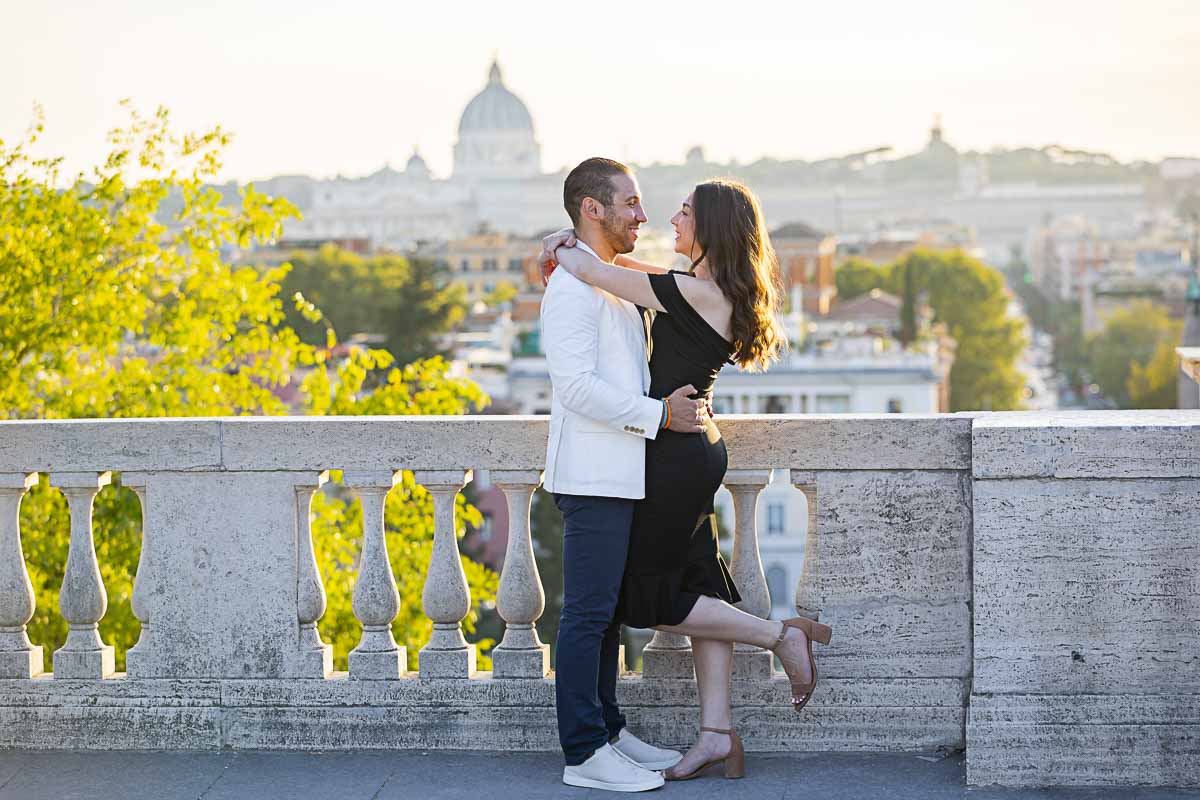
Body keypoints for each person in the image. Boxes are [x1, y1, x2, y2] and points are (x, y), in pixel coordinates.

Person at [540, 178, 833, 782]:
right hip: (690, 447)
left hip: (673, 453)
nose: (668, 218)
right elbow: (619, 267)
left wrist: (563, 250)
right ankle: (716, 734)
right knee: (702, 587)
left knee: (647, 599)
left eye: (684, 212)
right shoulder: (705, 287)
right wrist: (574, 247)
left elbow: (603, 273)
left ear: (711, 228)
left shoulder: (691, 291)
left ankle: (781, 637)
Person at [540, 157, 711, 792]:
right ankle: (583, 752)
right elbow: (577, 389)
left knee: (607, 614)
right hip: (590, 475)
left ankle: (609, 732)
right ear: (593, 209)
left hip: (618, 471)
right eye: (631, 203)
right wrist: (660, 416)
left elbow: (675, 284)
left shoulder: (601, 277)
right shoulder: (570, 288)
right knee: (586, 615)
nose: (643, 215)